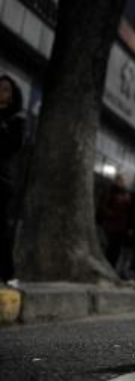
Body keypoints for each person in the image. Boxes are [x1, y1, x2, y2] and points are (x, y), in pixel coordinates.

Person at [0, 74, 25, 288]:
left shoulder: (16, 119)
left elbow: (11, 147)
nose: (1, 91)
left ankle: (8, 274)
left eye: (6, 89)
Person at [96, 174, 132, 277]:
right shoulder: (110, 192)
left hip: (121, 226)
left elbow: (129, 210)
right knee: (109, 247)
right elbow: (103, 206)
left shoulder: (127, 194)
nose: (121, 182)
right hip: (110, 225)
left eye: (122, 180)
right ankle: (106, 267)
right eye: (119, 180)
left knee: (116, 250)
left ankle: (112, 268)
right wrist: (109, 213)